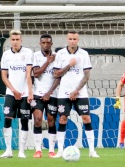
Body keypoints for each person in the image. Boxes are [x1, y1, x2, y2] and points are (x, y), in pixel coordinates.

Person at [52, 30, 99, 158]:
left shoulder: (84, 54)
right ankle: (60, 151)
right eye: (70, 39)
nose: (72, 41)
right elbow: (56, 74)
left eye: (75, 39)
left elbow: (87, 75)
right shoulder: (60, 54)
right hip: (63, 93)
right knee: (62, 119)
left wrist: (76, 90)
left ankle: (92, 151)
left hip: (81, 93)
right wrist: (69, 64)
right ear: (67, 40)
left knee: (86, 118)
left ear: (78, 40)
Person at [0, 30, 33, 158]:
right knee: (7, 119)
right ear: (10, 40)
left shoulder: (28, 53)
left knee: (24, 121)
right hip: (10, 93)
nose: (15, 42)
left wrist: (30, 92)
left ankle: (21, 151)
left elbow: (28, 75)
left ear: (21, 40)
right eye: (13, 39)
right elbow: (4, 76)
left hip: (25, 93)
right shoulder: (6, 55)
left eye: (17, 39)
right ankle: (8, 150)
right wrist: (13, 90)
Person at [32, 34, 61, 158]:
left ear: (51, 44)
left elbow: (58, 77)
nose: (45, 45)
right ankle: (38, 150)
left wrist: (49, 93)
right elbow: (36, 73)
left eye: (48, 43)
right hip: (37, 94)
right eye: (43, 43)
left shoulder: (57, 57)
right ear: (40, 44)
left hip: (53, 94)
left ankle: (51, 150)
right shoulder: (36, 56)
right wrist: (47, 62)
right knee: (38, 120)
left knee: (51, 121)